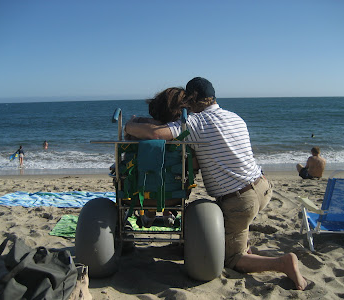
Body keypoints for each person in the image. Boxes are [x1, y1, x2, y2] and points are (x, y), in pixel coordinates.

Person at [125, 77, 307, 290]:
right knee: (236, 230)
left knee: (231, 260)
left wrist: (130, 124)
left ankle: (283, 263)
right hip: (262, 186)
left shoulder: (195, 123)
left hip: (239, 201)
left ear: (192, 101)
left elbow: (156, 134)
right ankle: (242, 243)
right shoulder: (235, 117)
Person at [125, 87, 190, 227]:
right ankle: (168, 212)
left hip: (135, 195)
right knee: (171, 173)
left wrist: (129, 124)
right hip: (174, 196)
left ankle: (149, 213)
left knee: (146, 172)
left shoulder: (138, 126)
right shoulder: (182, 131)